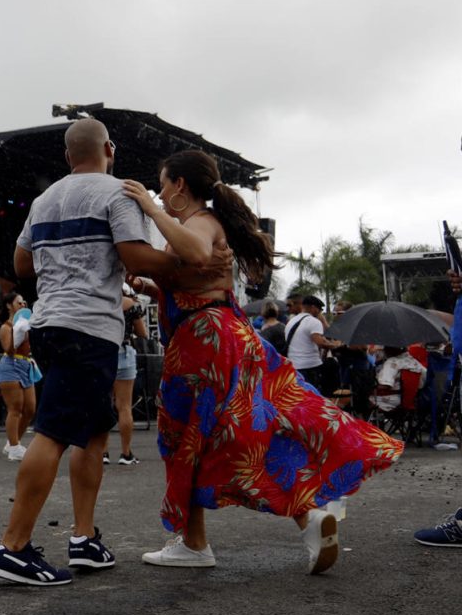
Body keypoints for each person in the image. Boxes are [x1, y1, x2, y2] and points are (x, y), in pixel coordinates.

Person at [122, 150, 401, 573]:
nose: (159, 194)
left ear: (180, 185)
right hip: (230, 334)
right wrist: (151, 287)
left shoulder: (198, 223)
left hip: (204, 342)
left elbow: (196, 254)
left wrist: (146, 207)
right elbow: (197, 282)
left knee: (186, 438)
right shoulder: (206, 225)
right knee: (261, 429)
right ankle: (310, 521)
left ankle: (195, 545)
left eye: (162, 185)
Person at [0, 118, 229, 587]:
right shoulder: (119, 192)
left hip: (50, 323)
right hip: (90, 327)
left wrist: (62, 261)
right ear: (109, 149)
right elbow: (137, 257)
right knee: (55, 432)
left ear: (67, 156)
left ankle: (83, 538)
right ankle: (12, 547)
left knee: (94, 431)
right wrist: (189, 263)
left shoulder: (43, 199)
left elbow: (20, 264)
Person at [105, 285, 146, 466]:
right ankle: (126, 453)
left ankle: (103, 452)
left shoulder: (101, 302)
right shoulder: (130, 304)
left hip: (104, 352)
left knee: (104, 404)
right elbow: (142, 333)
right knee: (124, 407)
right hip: (124, 351)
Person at [0, 292, 36, 461]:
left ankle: (13, 442)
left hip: (26, 364)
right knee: (15, 408)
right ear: (9, 306)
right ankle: (14, 447)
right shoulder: (6, 327)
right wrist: (17, 333)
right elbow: (9, 350)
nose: (23, 304)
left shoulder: (27, 323)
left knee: (30, 408)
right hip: (10, 366)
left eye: (24, 302)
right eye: (19, 302)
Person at [286, 295, 342, 397]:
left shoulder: (291, 321)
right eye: (319, 309)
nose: (319, 312)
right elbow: (320, 342)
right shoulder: (313, 321)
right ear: (313, 307)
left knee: (300, 397)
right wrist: (335, 345)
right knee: (313, 396)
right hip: (310, 366)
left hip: (294, 366)